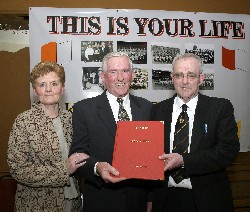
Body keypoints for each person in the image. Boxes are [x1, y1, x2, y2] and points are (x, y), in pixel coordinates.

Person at [152, 53, 240, 212]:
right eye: (179, 75)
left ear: (201, 78)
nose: (184, 81)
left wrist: (184, 160)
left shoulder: (219, 108)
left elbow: (228, 150)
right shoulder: (157, 110)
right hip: (165, 199)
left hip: (207, 200)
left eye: (191, 75)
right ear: (172, 78)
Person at [69, 51, 153, 212]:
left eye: (125, 71)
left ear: (132, 75)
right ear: (103, 76)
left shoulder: (146, 107)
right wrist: (97, 167)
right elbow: (77, 155)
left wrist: (149, 198)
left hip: (138, 201)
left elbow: (150, 155)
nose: (120, 77)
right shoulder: (84, 109)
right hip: (102, 200)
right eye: (113, 72)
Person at [7, 61, 89, 212]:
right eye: (42, 84)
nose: (49, 89)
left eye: (54, 83)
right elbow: (17, 169)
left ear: (62, 88)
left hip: (73, 202)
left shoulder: (71, 118)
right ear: (35, 90)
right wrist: (64, 170)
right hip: (38, 204)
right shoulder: (24, 121)